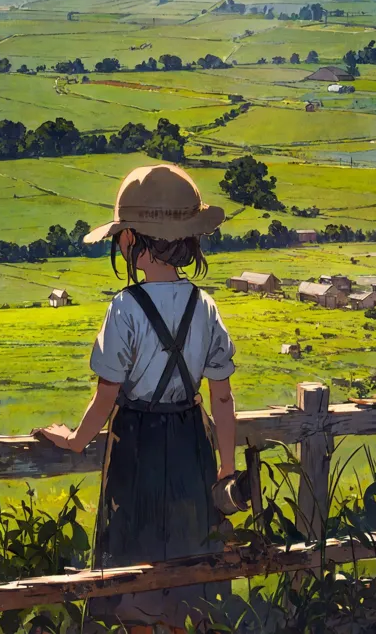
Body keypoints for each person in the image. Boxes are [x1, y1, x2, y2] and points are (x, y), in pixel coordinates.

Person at [33, 164, 237, 632]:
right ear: (190, 242)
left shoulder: (124, 309)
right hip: (191, 447)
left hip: (137, 449)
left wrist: (74, 441)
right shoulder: (204, 306)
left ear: (130, 242)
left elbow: (106, 398)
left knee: (132, 576)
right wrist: (225, 471)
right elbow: (222, 401)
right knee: (190, 578)